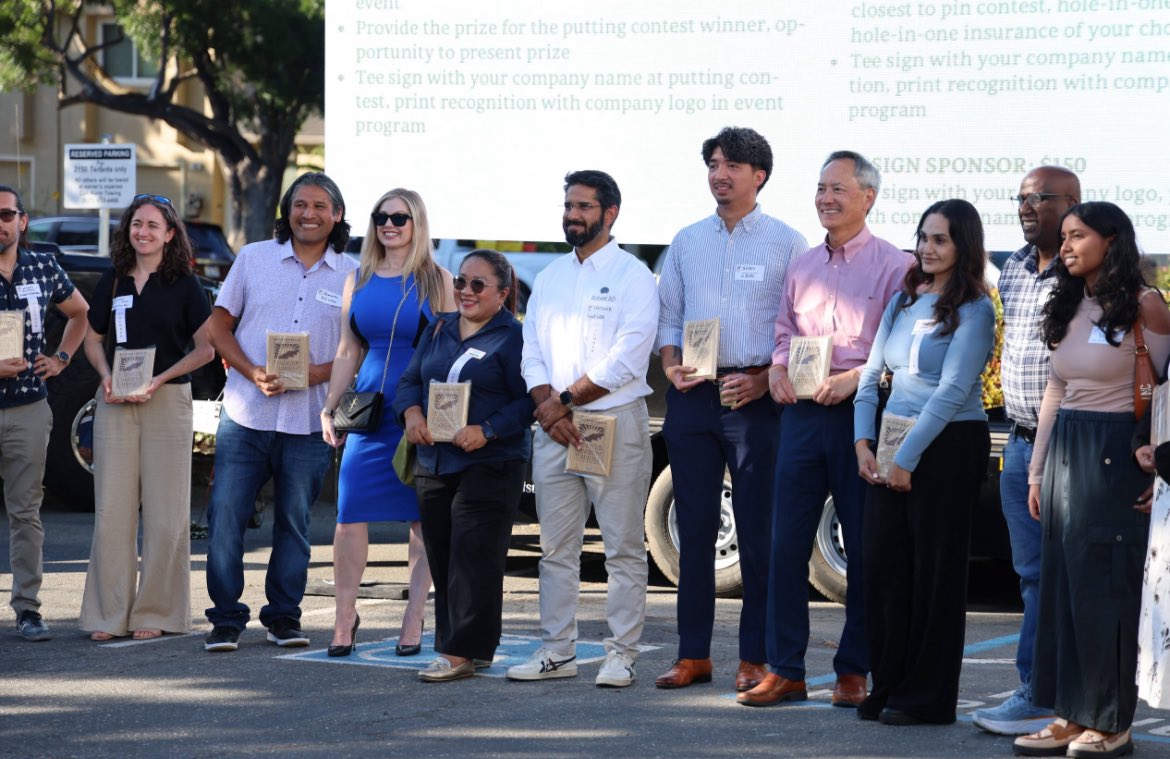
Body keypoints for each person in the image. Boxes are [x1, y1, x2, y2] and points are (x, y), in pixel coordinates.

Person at [742, 152, 913, 707]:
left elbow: (901, 351)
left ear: (868, 197)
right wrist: (774, 367)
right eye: (819, 188)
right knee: (784, 544)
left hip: (858, 413)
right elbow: (786, 330)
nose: (825, 198)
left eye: (837, 189)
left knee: (862, 547)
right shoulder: (802, 264)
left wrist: (855, 379)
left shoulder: (896, 265)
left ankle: (853, 670)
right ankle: (786, 668)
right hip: (800, 416)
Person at [1013, 202, 1170, 758]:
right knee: (1063, 591)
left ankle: (1111, 722)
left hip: (1117, 454)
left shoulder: (1146, 306)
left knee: (1105, 593)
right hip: (1064, 457)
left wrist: (1161, 465)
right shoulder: (1071, 303)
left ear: (1113, 240)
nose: (1069, 244)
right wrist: (1037, 471)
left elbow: (1167, 390)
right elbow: (1057, 391)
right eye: (1066, 236)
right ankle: (1068, 713)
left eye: (1079, 235)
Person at [654, 126, 806, 693]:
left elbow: (798, 326)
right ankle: (692, 654)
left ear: (758, 175)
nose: (720, 174)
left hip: (754, 400)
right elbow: (669, 317)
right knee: (693, 532)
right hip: (693, 396)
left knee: (758, 531)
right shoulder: (687, 240)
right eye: (713, 164)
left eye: (732, 166)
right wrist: (671, 364)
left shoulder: (787, 243)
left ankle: (755, 657)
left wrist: (767, 378)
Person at [507, 170, 658, 688]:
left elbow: (627, 359)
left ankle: (621, 654)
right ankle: (556, 651)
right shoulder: (549, 277)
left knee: (620, 547)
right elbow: (531, 352)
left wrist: (562, 403)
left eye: (584, 207)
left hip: (610, 421)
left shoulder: (635, 276)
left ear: (609, 213)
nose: (573, 214)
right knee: (556, 547)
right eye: (568, 205)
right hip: (554, 427)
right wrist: (547, 405)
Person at [852, 199, 995, 724]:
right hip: (890, 445)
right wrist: (863, 446)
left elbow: (955, 389)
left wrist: (906, 459)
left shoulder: (976, 307)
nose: (928, 249)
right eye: (923, 237)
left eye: (941, 240)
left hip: (948, 446)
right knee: (884, 570)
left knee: (936, 576)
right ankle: (888, 683)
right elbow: (870, 378)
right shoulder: (902, 300)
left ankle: (928, 698)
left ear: (964, 246)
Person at [203, 172, 358, 652]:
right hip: (246, 413)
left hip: (311, 419)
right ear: (287, 211)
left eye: (319, 206)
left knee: (294, 521)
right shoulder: (253, 258)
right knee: (226, 516)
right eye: (299, 205)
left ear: (336, 216)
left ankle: (284, 618)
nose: (307, 213)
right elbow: (218, 326)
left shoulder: (355, 272)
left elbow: (364, 348)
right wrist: (250, 371)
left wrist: (318, 375)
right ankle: (225, 619)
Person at [320, 189, 453, 657]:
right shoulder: (357, 278)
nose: (389, 224)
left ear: (417, 223)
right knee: (348, 513)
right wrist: (328, 406)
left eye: (400, 217)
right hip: (368, 412)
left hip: (418, 411)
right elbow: (347, 350)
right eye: (381, 217)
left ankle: (414, 616)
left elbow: (452, 353)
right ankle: (343, 619)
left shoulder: (438, 280)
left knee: (421, 520)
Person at [971, 166, 1079, 735]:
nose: (1026, 206)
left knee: (1074, 574)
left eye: (1038, 198)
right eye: (1020, 199)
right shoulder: (1012, 267)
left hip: (1074, 447)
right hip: (1019, 443)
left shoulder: (1085, 272)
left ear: (1071, 203)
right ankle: (1036, 691)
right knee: (1033, 575)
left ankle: (1060, 694)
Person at [79, 194, 214, 641]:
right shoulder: (113, 281)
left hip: (167, 400)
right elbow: (94, 339)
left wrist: (160, 378)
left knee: (165, 513)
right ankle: (107, 615)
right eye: (137, 224)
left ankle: (157, 613)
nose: (144, 232)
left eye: (154, 225)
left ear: (170, 234)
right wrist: (104, 377)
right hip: (116, 401)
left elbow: (206, 349)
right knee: (112, 510)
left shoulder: (186, 285)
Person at [395, 249, 533, 681]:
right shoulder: (438, 327)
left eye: (478, 285)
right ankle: (477, 646)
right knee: (442, 555)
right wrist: (412, 415)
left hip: (491, 461)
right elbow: (408, 381)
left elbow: (530, 400)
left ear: (503, 293)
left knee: (474, 557)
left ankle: (458, 653)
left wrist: (487, 429)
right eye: (460, 282)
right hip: (436, 458)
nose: (465, 291)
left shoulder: (515, 338)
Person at [0, 185, 89, 642]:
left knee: (26, 512)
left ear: (22, 220)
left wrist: (62, 360)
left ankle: (28, 608)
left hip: (29, 406)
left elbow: (80, 313)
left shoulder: (42, 266)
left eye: (5, 215)